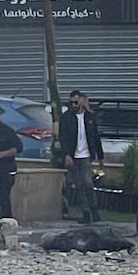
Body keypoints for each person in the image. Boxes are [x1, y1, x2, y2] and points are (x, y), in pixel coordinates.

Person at [59, 90, 104, 224]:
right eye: (71, 102)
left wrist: (100, 156)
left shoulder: (90, 117)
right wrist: (66, 154)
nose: (73, 104)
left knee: (87, 183)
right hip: (73, 155)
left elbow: (95, 137)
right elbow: (63, 137)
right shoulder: (67, 117)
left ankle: (94, 210)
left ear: (82, 101)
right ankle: (85, 213)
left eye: (76, 101)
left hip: (85, 155)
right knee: (79, 185)